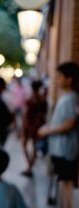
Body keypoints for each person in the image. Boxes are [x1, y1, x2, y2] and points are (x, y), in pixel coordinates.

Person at [38, 62, 79, 208]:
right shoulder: (66, 97)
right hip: (60, 148)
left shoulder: (71, 98)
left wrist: (47, 130)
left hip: (65, 148)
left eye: (60, 77)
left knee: (67, 182)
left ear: (70, 79)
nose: (57, 80)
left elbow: (69, 124)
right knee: (63, 180)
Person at [22, 80, 47, 177]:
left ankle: (29, 166)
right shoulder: (41, 99)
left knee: (29, 146)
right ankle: (30, 165)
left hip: (30, 125)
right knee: (33, 146)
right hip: (36, 125)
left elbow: (26, 113)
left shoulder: (33, 99)